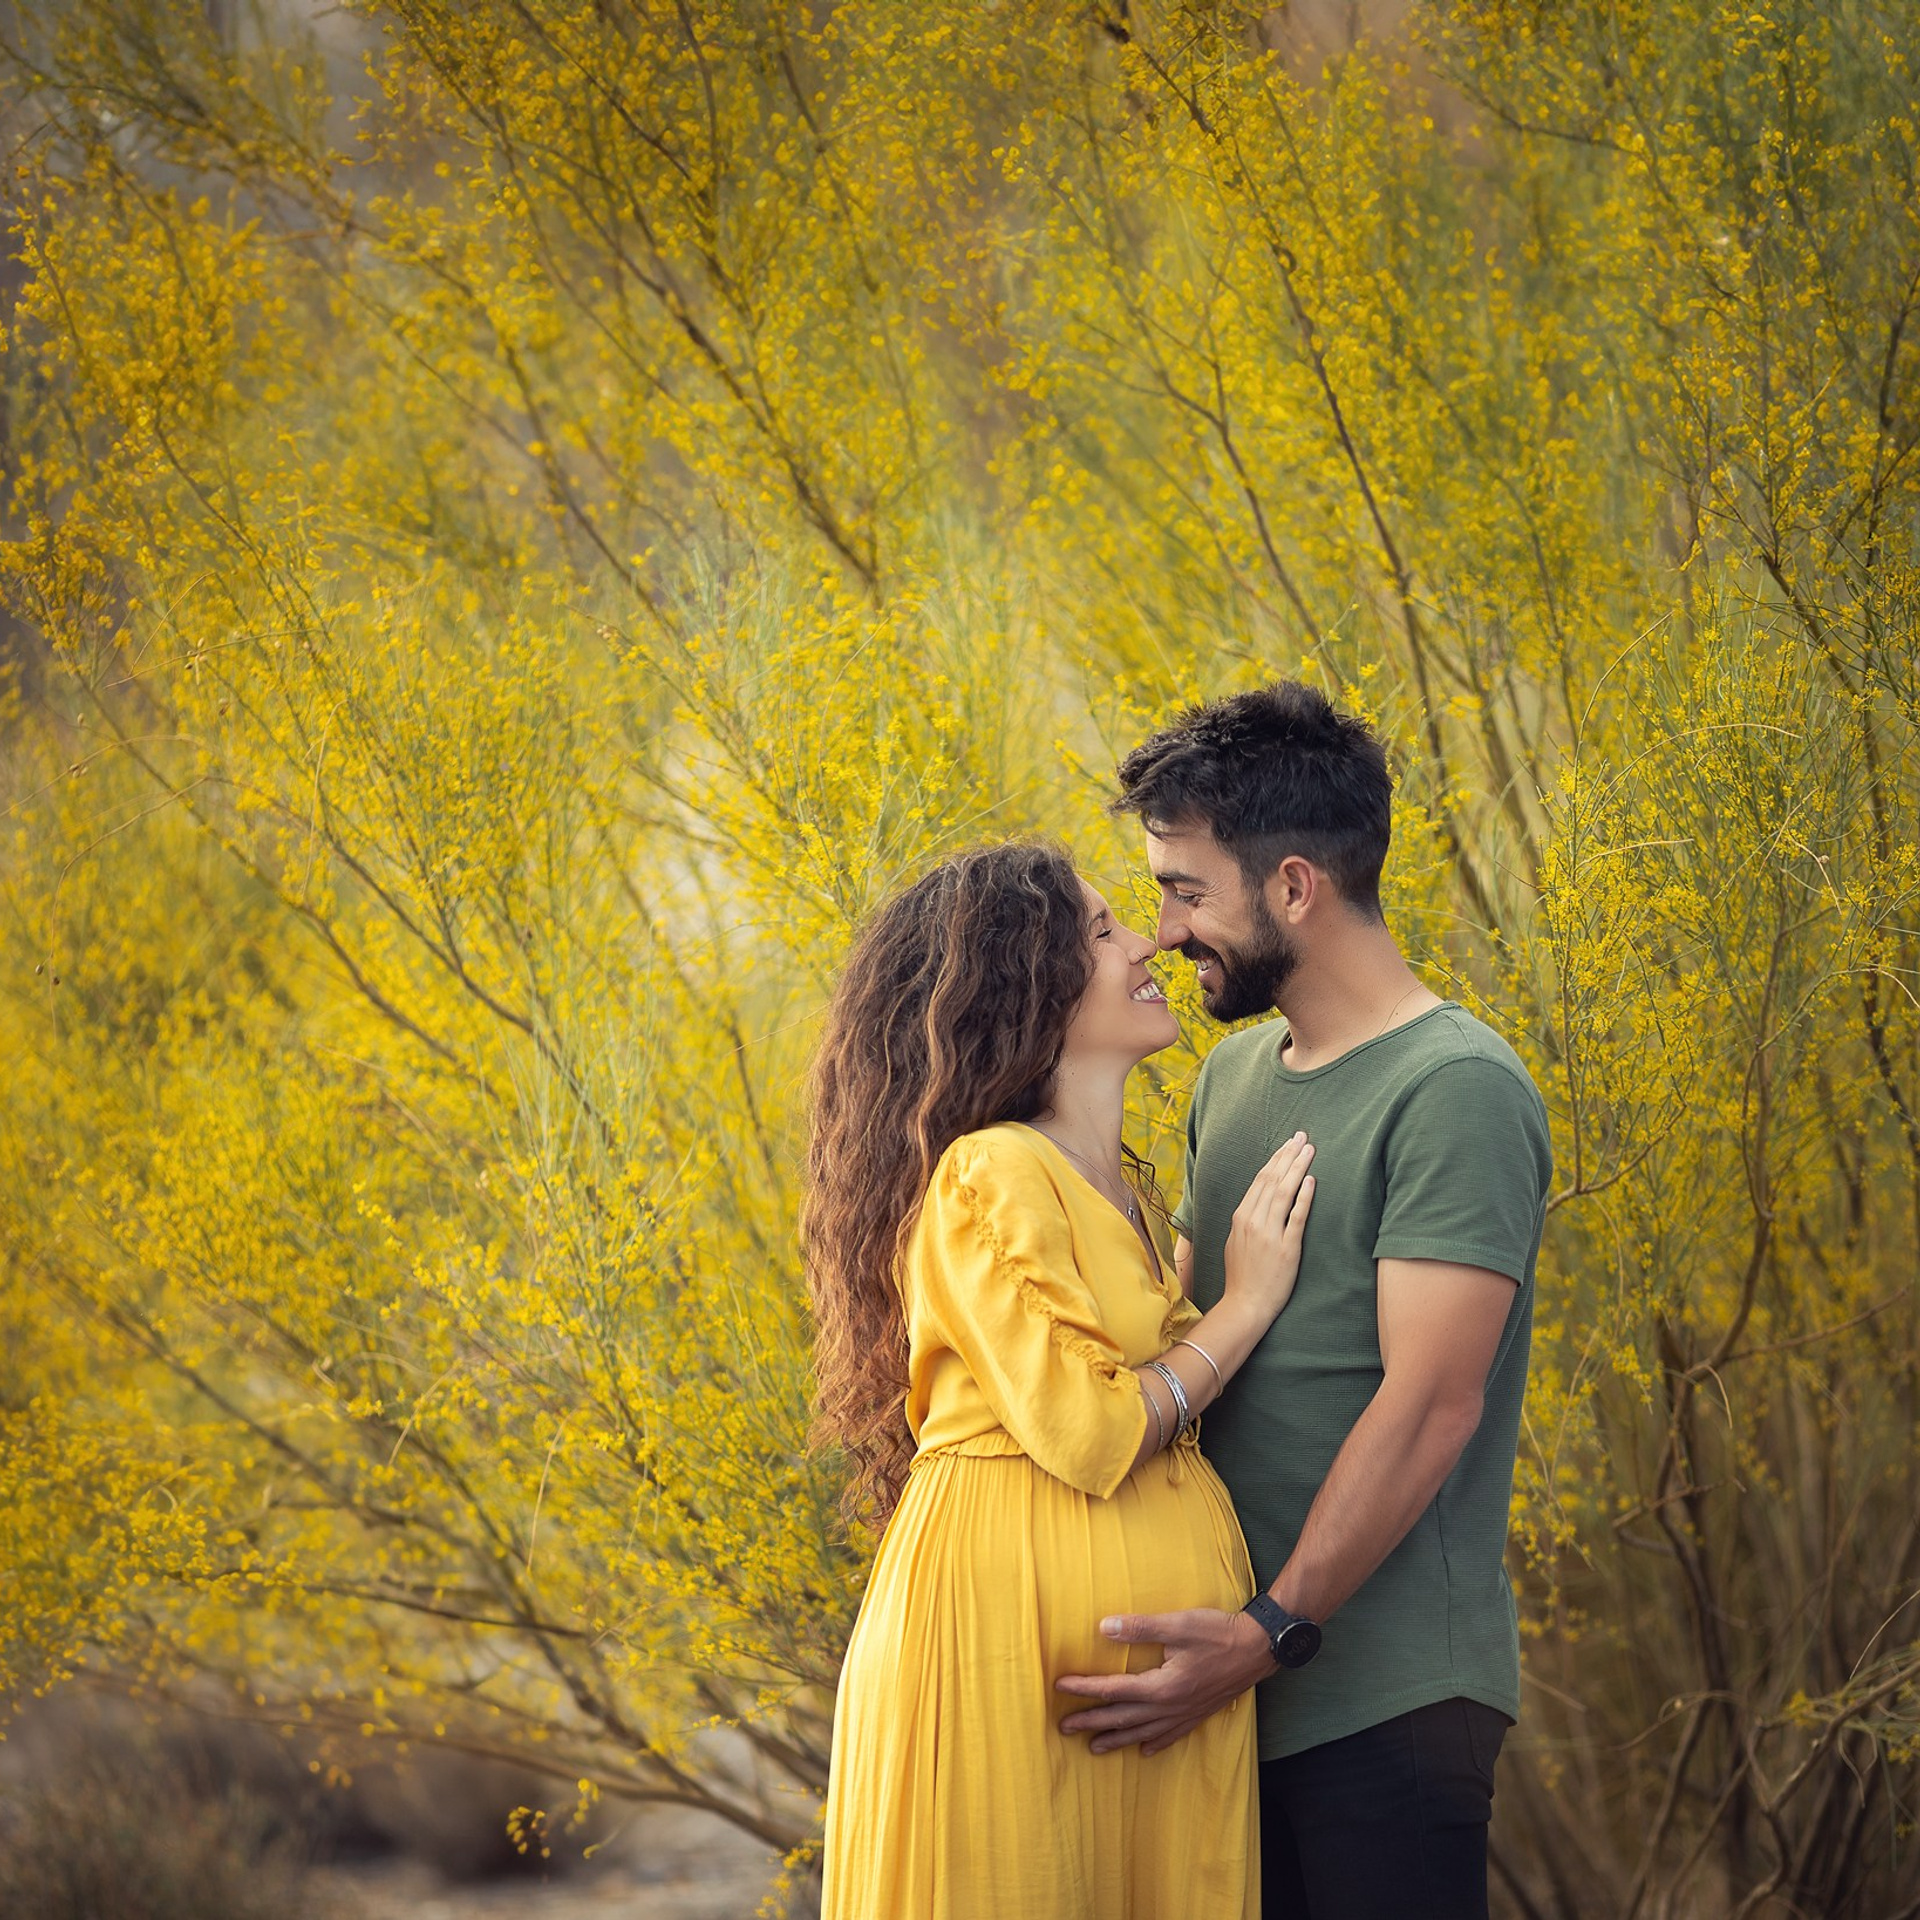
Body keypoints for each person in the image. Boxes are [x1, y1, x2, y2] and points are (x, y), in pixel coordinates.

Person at [1057, 683, 1554, 1920]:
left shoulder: (1455, 1087)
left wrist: (1270, 1629)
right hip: (1226, 1698)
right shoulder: (1230, 1075)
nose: (1167, 932)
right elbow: (1183, 1340)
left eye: (1186, 889)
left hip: (1379, 1699)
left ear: (1292, 887)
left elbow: (1432, 1402)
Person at [808, 842, 1316, 1920]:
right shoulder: (989, 1169)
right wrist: (1247, 1304)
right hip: (1004, 1663)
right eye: (1101, 930)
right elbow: (1090, 1429)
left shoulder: (1111, 1194)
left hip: (1121, 1704)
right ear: (1023, 979)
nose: (1146, 943)